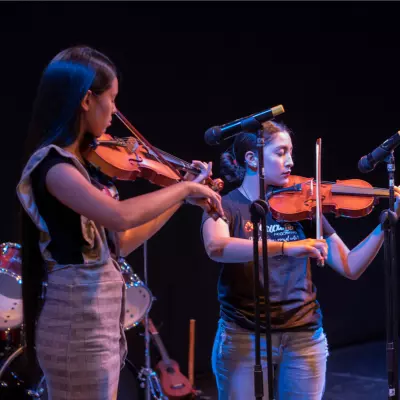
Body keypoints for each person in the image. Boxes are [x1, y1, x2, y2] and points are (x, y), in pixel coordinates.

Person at [17, 45, 223, 400]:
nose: (114, 111)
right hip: (75, 324)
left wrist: (181, 196)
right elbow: (120, 215)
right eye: (111, 99)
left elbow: (120, 241)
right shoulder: (54, 168)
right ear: (86, 100)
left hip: (95, 323)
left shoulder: (78, 166)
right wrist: (184, 186)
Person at [201, 120, 400, 400]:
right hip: (244, 337)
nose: (291, 161)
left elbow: (351, 266)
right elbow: (217, 247)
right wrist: (286, 247)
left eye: (291, 152)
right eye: (281, 152)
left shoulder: (303, 206)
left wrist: (385, 227)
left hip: (304, 336)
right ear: (252, 159)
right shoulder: (226, 205)